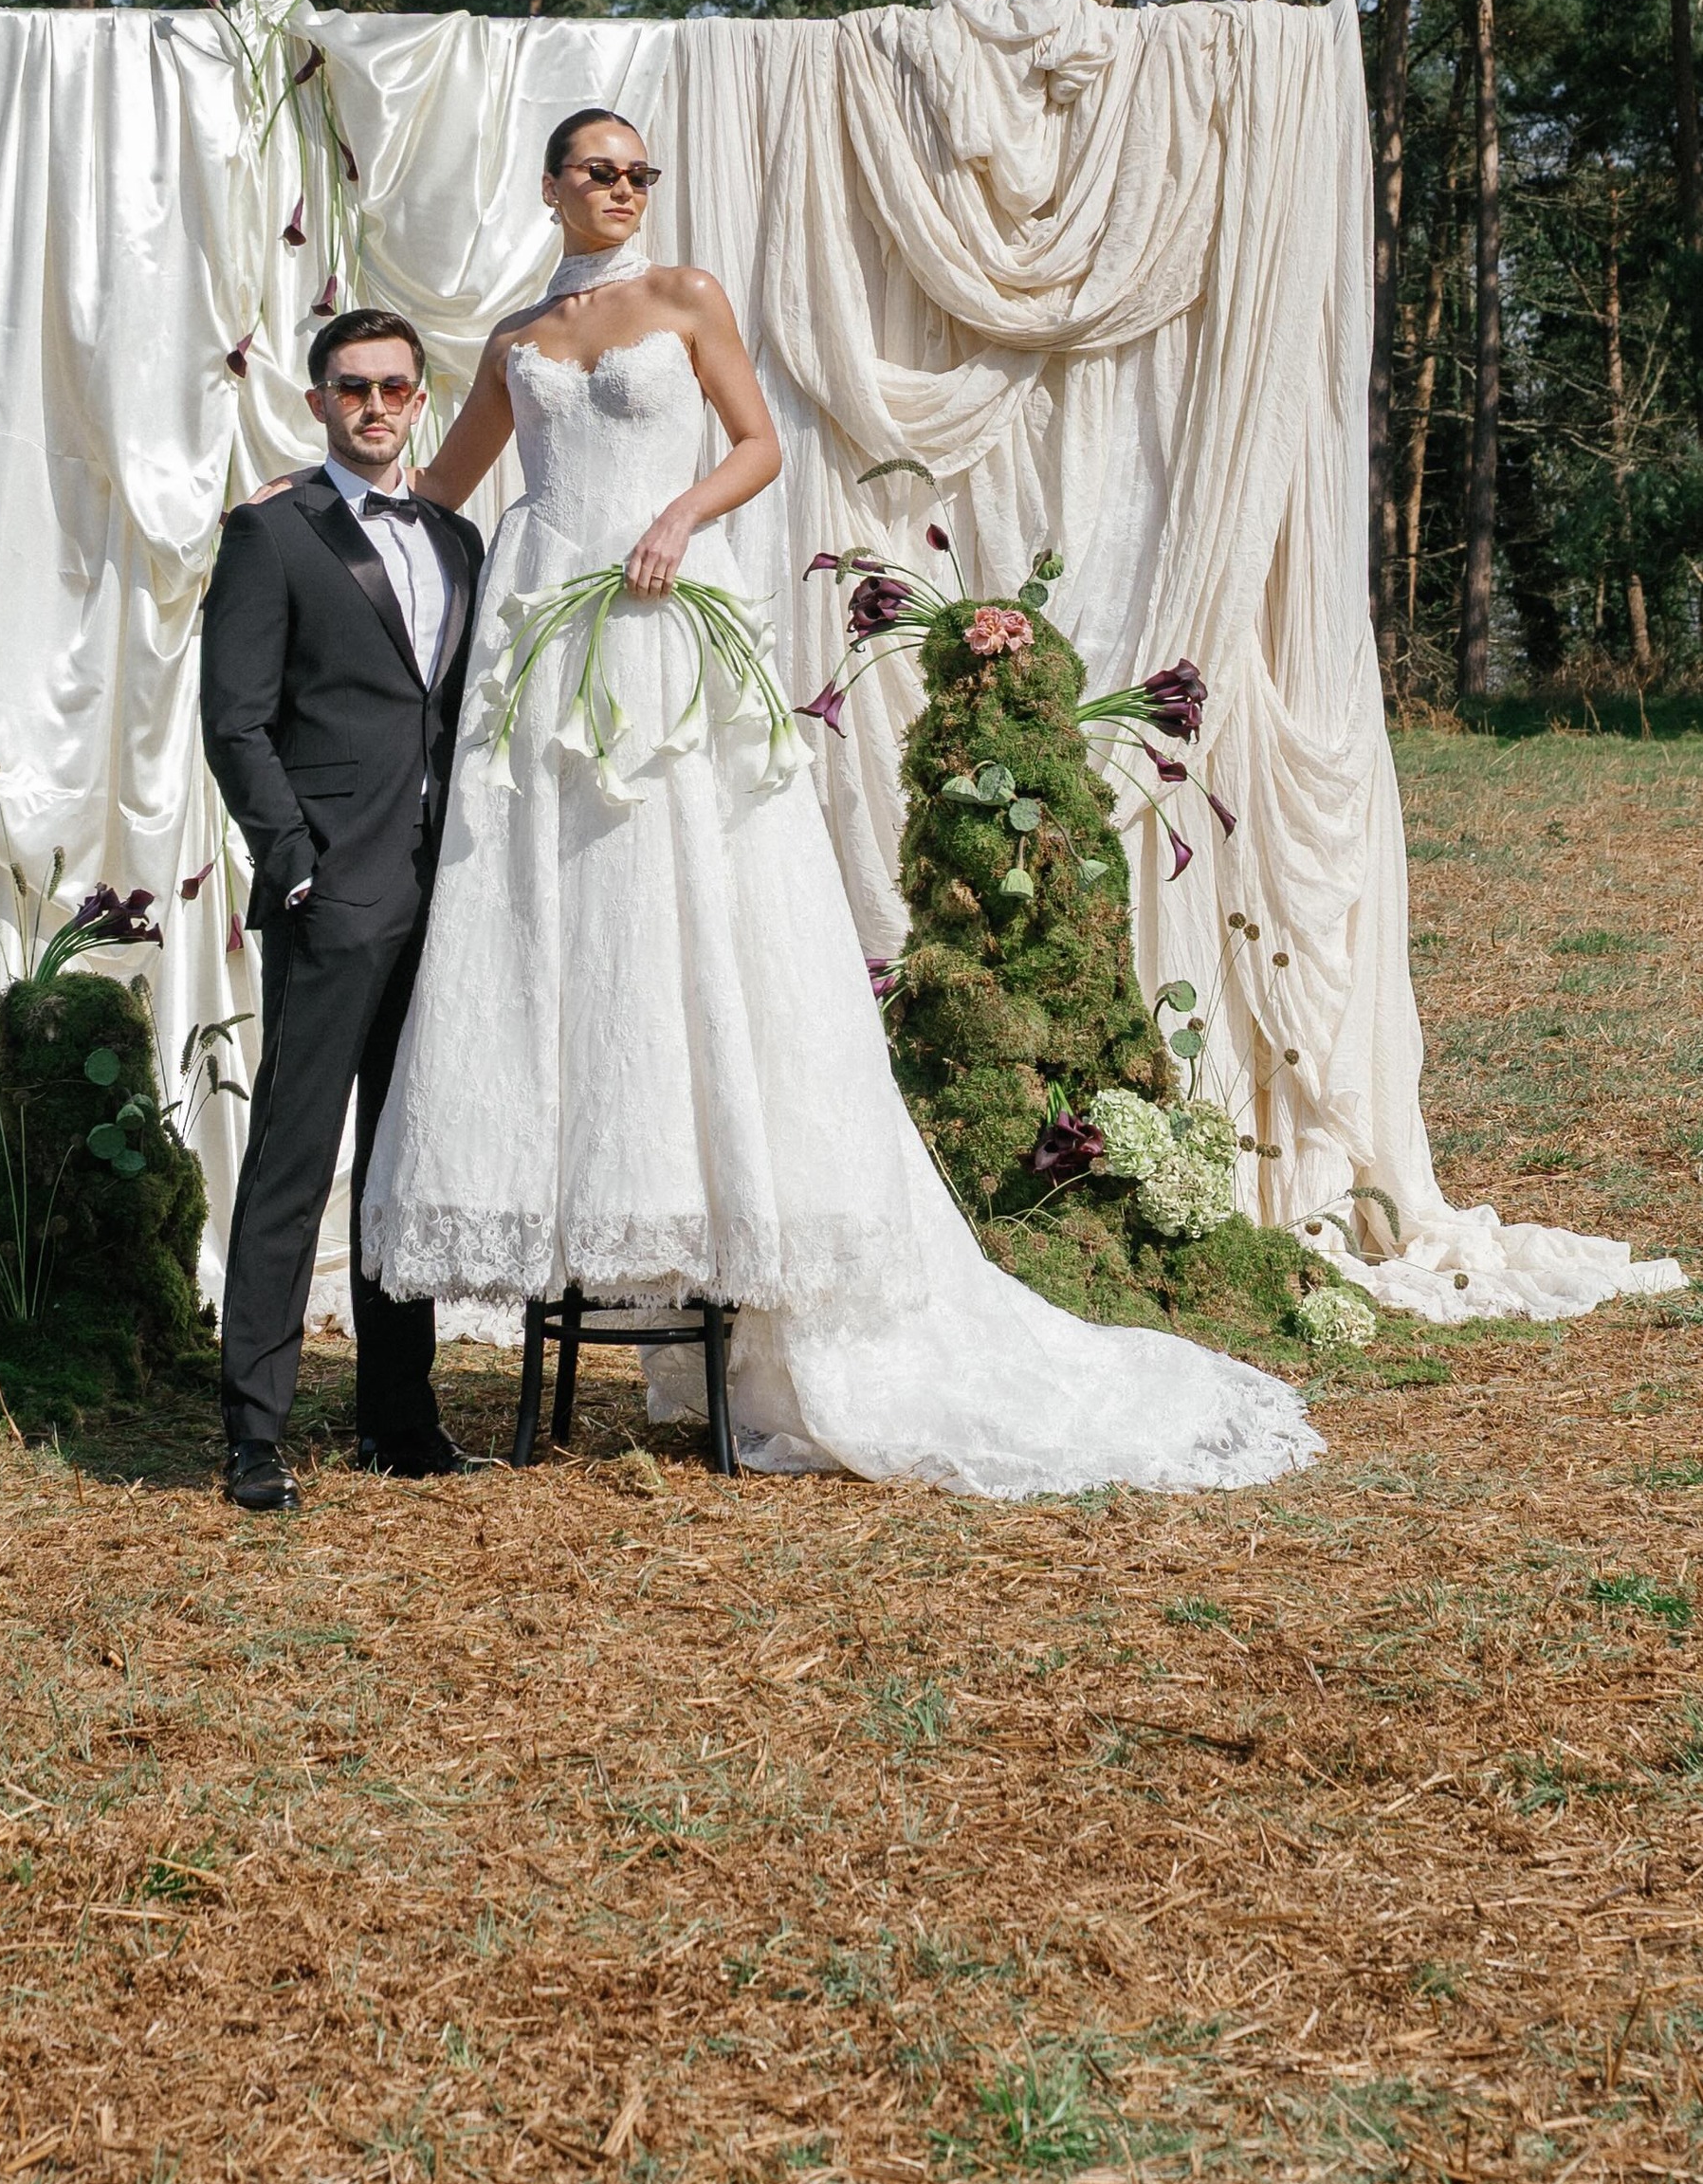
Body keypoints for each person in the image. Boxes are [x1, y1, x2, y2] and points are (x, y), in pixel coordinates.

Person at [356, 108, 1322, 1497]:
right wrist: (330, 499)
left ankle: (744, 1229)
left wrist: (683, 519)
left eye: (642, 170)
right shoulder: (517, 337)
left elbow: (757, 446)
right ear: (552, 186)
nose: (624, 189)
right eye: (599, 172)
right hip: (554, 647)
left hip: (664, 618)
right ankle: (607, 1211)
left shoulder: (686, 298)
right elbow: (447, 489)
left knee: (699, 903)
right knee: (565, 920)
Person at [199, 306, 486, 1510]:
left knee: (404, 1157)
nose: (375, 406)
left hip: (449, 896)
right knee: (293, 1157)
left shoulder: (461, 542)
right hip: (333, 892)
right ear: (318, 401)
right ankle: (254, 1431)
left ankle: (397, 1419)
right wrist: (293, 858)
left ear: (421, 400)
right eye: (353, 387)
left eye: (395, 388)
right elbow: (234, 719)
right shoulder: (272, 533)